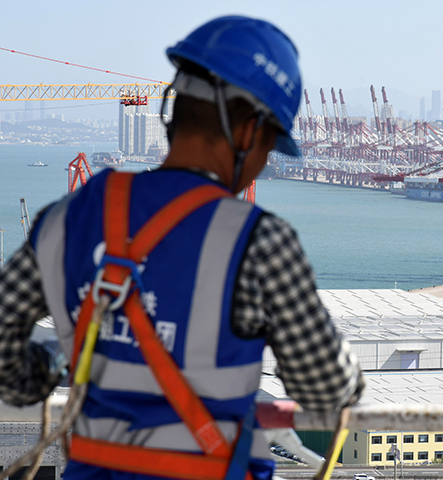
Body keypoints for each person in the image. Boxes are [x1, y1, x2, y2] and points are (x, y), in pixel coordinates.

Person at [0, 15, 364, 480]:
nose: (263, 163)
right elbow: (327, 389)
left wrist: (45, 367)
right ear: (250, 132)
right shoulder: (261, 242)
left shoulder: (68, 217)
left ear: (173, 107)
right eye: (270, 146)